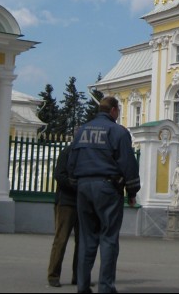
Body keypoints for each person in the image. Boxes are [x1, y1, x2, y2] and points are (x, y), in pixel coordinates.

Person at [68, 96, 140, 294]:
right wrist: (132, 191)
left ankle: (82, 287)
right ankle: (106, 287)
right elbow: (128, 163)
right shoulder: (118, 131)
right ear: (114, 111)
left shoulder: (81, 131)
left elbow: (72, 162)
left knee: (86, 238)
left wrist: (77, 185)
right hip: (107, 188)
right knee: (108, 238)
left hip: (84, 187)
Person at [47, 142, 80, 287]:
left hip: (82, 203)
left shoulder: (86, 155)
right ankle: (53, 276)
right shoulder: (67, 152)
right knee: (61, 239)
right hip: (65, 202)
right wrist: (76, 185)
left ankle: (79, 276)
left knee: (83, 242)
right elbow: (59, 175)